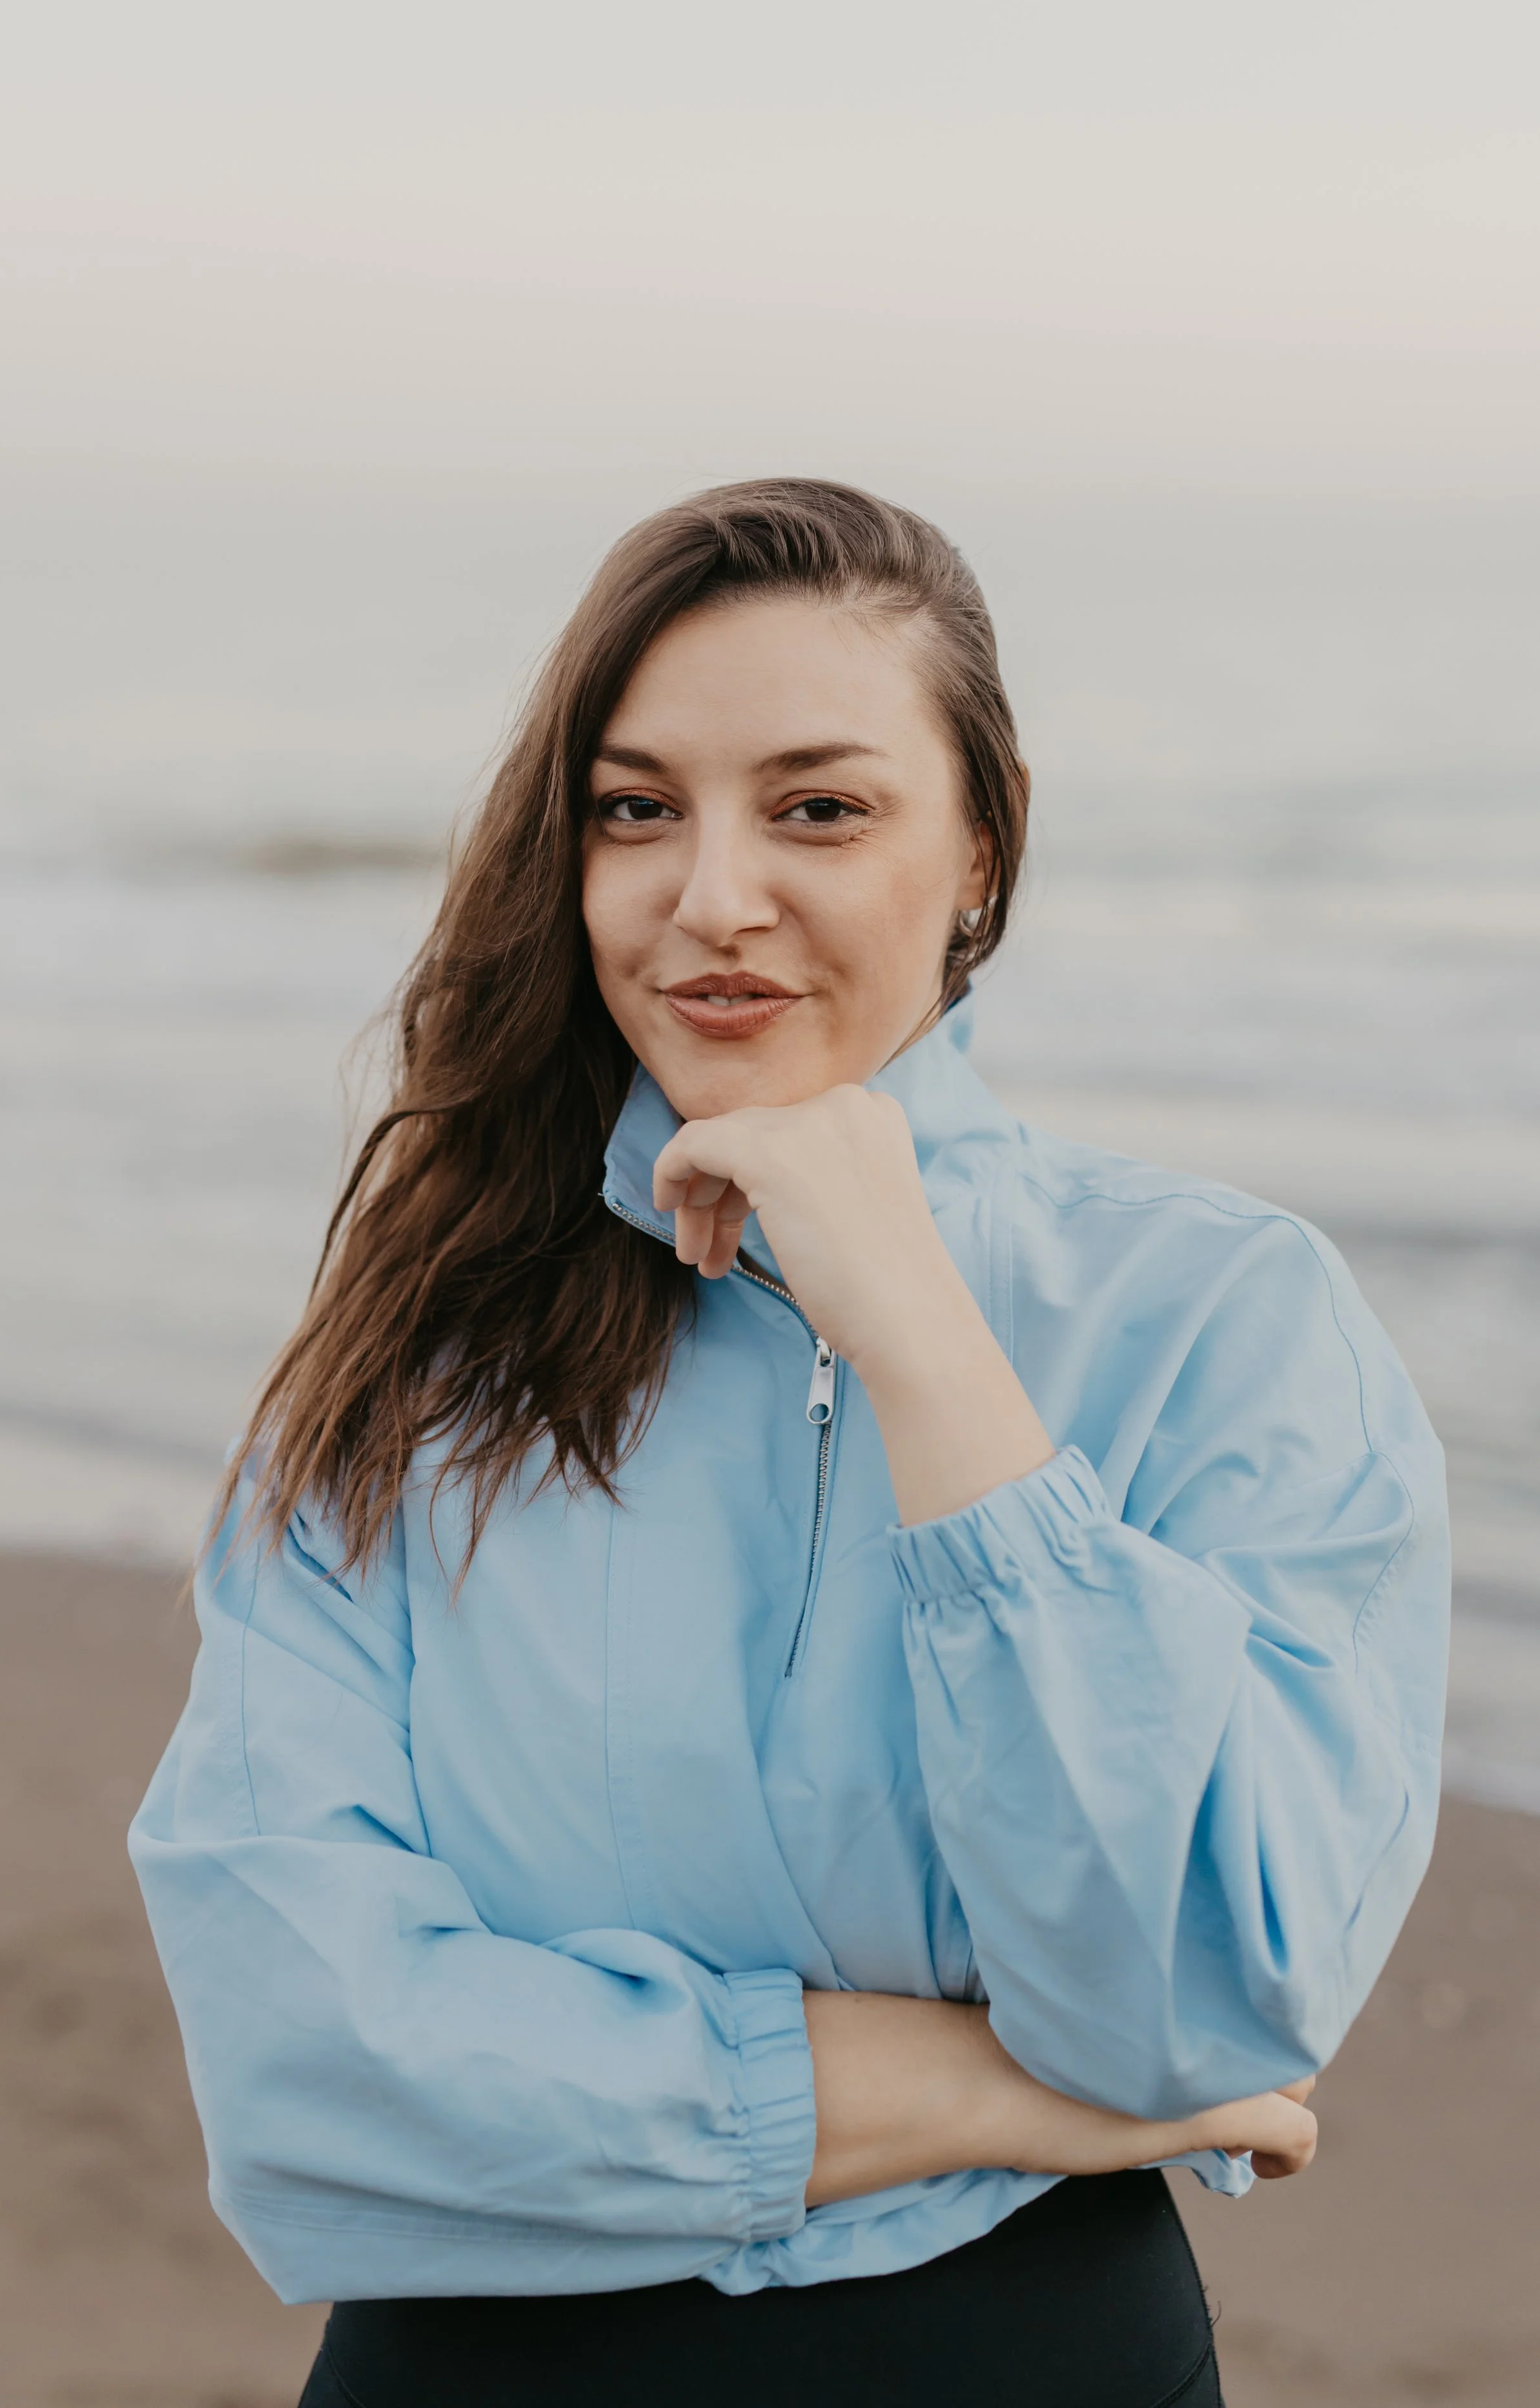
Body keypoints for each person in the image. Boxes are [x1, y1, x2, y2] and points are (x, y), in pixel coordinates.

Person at [130, 480, 1448, 2408]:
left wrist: (915, 1321)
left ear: (980, 847)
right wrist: (988, 2085)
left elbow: (1188, 1997)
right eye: (635, 808)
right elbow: (308, 2064)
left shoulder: (1222, 1323)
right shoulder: (422, 1361)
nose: (708, 896)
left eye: (816, 807)